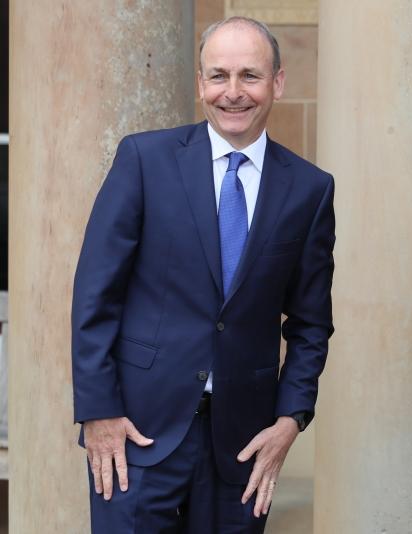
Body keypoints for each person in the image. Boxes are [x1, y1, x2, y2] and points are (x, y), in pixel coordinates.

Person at [71, 16, 334, 533]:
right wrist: (97, 411)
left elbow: (310, 324)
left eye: (249, 76)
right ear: (200, 84)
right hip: (136, 435)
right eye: (218, 76)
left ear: (277, 82)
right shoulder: (144, 160)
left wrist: (290, 420)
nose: (232, 93)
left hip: (242, 448)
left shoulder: (309, 189)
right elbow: (95, 296)